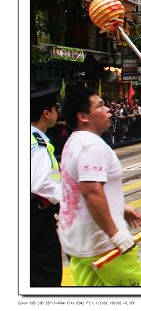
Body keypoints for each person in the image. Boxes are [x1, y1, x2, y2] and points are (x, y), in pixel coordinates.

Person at [58, 88, 141, 286]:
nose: (108, 109)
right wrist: (116, 235)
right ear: (83, 116)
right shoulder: (93, 146)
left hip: (80, 245)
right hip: (104, 244)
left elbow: (81, 188)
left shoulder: (73, 142)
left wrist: (119, 207)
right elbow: (91, 192)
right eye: (100, 106)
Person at [30, 88, 62, 287]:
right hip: (37, 217)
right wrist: (68, 197)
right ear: (46, 113)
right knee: (47, 271)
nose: (57, 113)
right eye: (55, 108)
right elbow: (39, 182)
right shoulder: (37, 142)